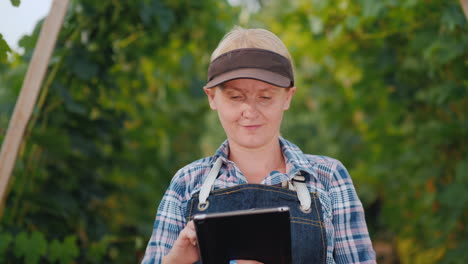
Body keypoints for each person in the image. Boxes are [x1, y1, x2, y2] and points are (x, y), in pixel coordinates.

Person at [141, 26, 376, 264]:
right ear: (212, 97)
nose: (250, 111)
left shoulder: (328, 178)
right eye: (236, 97)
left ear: (288, 97)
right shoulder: (187, 184)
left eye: (265, 97)